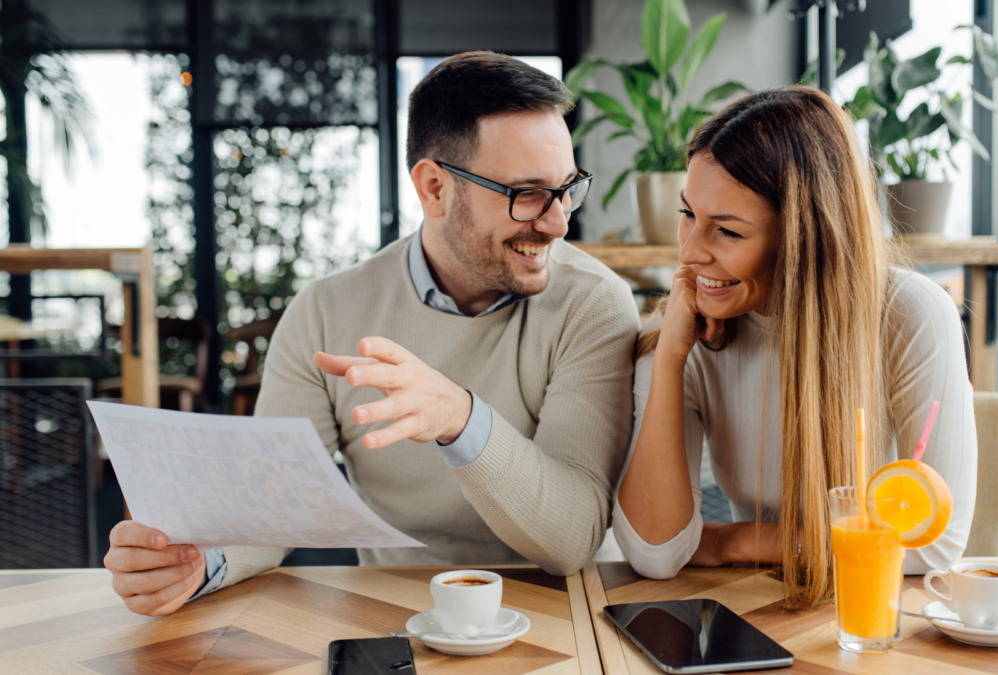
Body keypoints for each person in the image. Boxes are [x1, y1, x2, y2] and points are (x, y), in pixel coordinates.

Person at [104, 51, 640, 616]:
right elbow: (276, 502)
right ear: (434, 188)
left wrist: (459, 418)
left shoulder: (593, 304)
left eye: (566, 189)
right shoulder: (326, 312)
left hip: (563, 615)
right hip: (394, 617)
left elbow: (571, 539)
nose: (558, 222)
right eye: (527, 193)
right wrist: (193, 561)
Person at [613, 87, 977, 609]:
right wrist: (669, 358)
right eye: (688, 213)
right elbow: (655, 553)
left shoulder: (910, 314)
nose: (689, 252)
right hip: (749, 607)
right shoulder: (684, 328)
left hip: (874, 613)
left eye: (728, 231)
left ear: (803, 237)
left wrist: (734, 541)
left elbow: (936, 541)